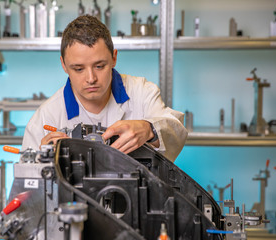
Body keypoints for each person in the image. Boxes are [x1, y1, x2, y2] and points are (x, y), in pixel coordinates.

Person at [22, 15, 187, 162]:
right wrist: (40, 161)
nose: (91, 78)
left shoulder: (141, 92)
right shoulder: (47, 116)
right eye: (78, 69)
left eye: (99, 66)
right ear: (64, 65)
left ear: (114, 58)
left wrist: (149, 129)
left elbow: (176, 129)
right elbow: (26, 186)